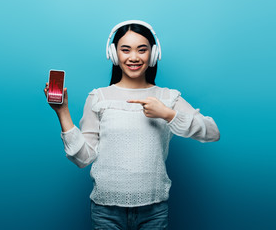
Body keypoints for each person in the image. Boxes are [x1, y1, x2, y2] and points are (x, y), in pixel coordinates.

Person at [44, 20, 220, 230]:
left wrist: (167, 114)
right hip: (105, 211)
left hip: (154, 211)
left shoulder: (167, 97)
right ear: (113, 53)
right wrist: (62, 111)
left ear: (153, 54)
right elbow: (83, 158)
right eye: (125, 50)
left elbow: (212, 132)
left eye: (142, 50)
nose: (134, 57)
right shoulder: (98, 97)